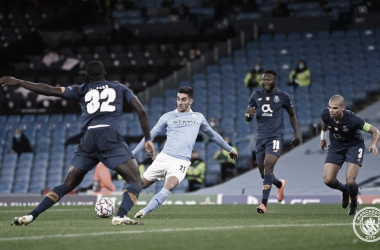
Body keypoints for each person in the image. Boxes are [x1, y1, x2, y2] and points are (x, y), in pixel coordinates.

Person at [1, 61, 155, 226]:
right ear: (105, 75)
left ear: (87, 77)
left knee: (67, 184)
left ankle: (31, 215)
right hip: (109, 136)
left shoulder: (81, 89)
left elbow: (48, 90)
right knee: (135, 181)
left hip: (88, 138)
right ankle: (120, 216)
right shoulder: (120, 87)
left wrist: (19, 82)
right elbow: (141, 111)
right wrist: (147, 139)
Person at [132, 86, 238, 218]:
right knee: (140, 185)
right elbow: (150, 136)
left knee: (169, 186)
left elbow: (213, 135)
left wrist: (229, 149)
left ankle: (144, 211)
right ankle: (118, 209)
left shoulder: (198, 117)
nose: (180, 102)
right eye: (178, 99)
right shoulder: (168, 116)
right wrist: (133, 152)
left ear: (191, 101)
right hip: (164, 157)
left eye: (183, 99)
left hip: (181, 161)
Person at [245, 69, 300, 214]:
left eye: (269, 79)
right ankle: (279, 183)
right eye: (264, 79)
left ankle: (263, 204)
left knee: (269, 166)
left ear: (275, 81)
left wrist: (297, 134)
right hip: (260, 138)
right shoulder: (256, 95)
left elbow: (292, 115)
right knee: (264, 174)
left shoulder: (282, 96)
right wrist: (248, 115)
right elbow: (248, 116)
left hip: (275, 137)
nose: (266, 82)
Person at [320, 95, 379, 216]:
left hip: (354, 147)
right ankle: (345, 191)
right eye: (330, 107)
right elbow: (325, 121)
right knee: (328, 180)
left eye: (335, 108)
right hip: (336, 147)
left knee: (350, 181)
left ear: (343, 108)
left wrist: (373, 144)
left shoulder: (353, 119)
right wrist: (322, 138)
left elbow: (375, 131)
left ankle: (354, 205)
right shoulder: (326, 113)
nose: (331, 110)